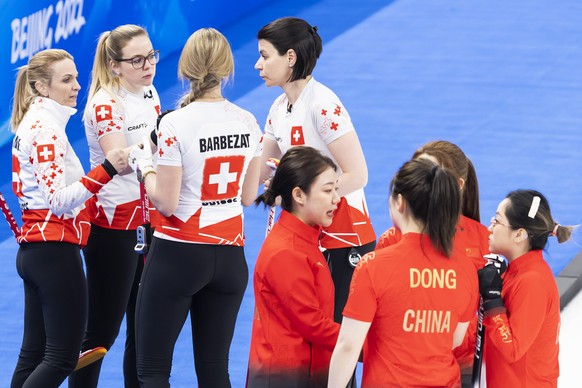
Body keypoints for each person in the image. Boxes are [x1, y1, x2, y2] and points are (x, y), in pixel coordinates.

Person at [130, 28, 262, 387]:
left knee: (153, 370)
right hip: (231, 258)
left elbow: (166, 202)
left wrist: (146, 166)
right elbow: (249, 197)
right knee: (215, 369)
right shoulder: (248, 121)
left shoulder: (175, 123)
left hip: (179, 254)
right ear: (227, 68)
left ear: (185, 67)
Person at [9, 49, 128, 387]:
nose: (77, 85)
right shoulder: (46, 132)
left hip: (38, 251)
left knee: (33, 355)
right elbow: (59, 201)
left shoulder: (36, 123)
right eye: (66, 79)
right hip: (54, 252)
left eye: (76, 76)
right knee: (61, 357)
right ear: (41, 88)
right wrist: (107, 170)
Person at [255, 17, 376, 326]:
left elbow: (357, 174)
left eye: (266, 55)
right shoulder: (278, 108)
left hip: (343, 234)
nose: (258, 65)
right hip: (309, 233)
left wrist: (305, 202)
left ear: (290, 57)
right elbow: (257, 171)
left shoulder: (323, 105)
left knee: (335, 340)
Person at [328, 158, 479, 387]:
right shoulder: (466, 268)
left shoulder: (373, 266)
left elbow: (348, 346)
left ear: (400, 202)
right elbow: (455, 339)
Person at [68, 24, 161, 388]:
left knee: (143, 325)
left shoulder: (147, 91)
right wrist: (169, 139)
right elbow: (119, 160)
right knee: (100, 334)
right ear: (115, 64)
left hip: (149, 220)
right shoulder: (106, 104)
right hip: (113, 228)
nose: (147, 65)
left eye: (150, 56)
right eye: (136, 60)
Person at [247, 146, 341, 387]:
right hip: (285, 378)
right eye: (328, 190)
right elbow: (314, 325)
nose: (336, 199)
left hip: (305, 373)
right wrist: (372, 345)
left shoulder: (306, 239)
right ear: (299, 195)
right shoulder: (286, 252)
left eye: (336, 189)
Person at [478, 190, 573, 387]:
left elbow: (512, 348)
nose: (489, 228)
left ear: (519, 234)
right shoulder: (518, 272)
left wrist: (492, 300)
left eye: (496, 221)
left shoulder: (532, 281)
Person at [377, 140, 489, 271]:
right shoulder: (391, 239)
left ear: (458, 185)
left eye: (431, 176)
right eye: (416, 173)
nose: (421, 181)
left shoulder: (484, 239)